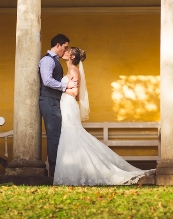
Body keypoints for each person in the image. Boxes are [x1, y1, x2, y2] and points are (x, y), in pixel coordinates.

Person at [54, 47, 154, 185]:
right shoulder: (70, 70)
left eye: (67, 51)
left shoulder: (73, 70)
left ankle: (89, 171)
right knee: (70, 134)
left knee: (72, 133)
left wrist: (64, 88)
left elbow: (76, 93)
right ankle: (75, 171)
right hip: (66, 104)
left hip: (69, 104)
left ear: (71, 57)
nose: (64, 52)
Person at [39, 34, 78, 177]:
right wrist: (66, 84)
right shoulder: (47, 61)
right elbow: (47, 81)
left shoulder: (55, 61)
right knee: (54, 135)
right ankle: (54, 170)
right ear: (57, 45)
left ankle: (57, 168)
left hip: (54, 101)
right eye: (65, 47)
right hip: (49, 101)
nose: (65, 50)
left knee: (57, 134)